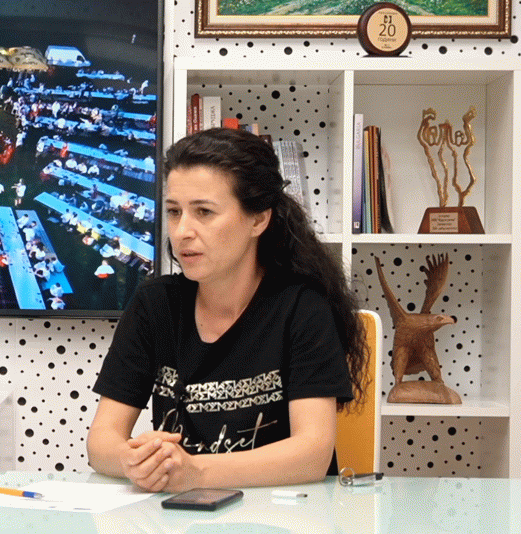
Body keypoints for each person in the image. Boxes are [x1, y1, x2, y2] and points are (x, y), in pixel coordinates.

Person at [86, 128, 369, 493]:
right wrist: (134, 462)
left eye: (204, 212)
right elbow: (102, 442)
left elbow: (312, 454)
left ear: (258, 219)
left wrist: (197, 472)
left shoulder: (303, 307)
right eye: (174, 212)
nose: (182, 231)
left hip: (286, 515)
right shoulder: (154, 304)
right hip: (180, 513)